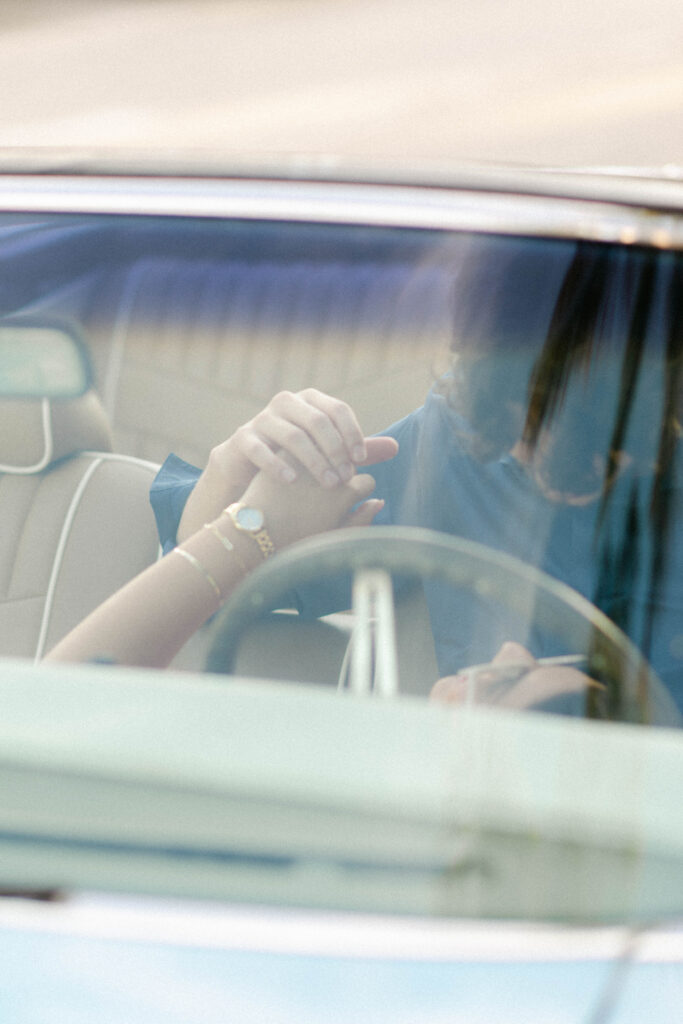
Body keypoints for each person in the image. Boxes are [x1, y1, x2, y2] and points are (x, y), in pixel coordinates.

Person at [147, 237, 683, 720]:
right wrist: (230, 478)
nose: (536, 464)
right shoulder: (455, 442)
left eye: (586, 445)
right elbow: (224, 591)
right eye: (514, 426)